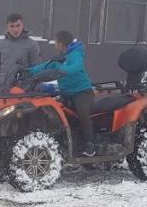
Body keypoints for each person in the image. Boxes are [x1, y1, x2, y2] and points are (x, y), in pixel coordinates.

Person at [28, 30, 96, 158]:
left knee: (82, 112)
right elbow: (45, 66)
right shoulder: (61, 56)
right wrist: (28, 72)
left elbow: (75, 67)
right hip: (66, 92)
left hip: (82, 92)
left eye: (56, 43)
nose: (55, 45)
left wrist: (61, 70)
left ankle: (90, 145)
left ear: (62, 44)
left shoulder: (76, 54)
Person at [0, 13, 41, 92]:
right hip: (0, 90)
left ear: (22, 25)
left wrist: (36, 91)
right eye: (12, 26)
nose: (15, 29)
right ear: (7, 27)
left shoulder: (32, 45)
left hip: (20, 92)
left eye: (18, 25)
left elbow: (37, 70)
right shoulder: (1, 44)